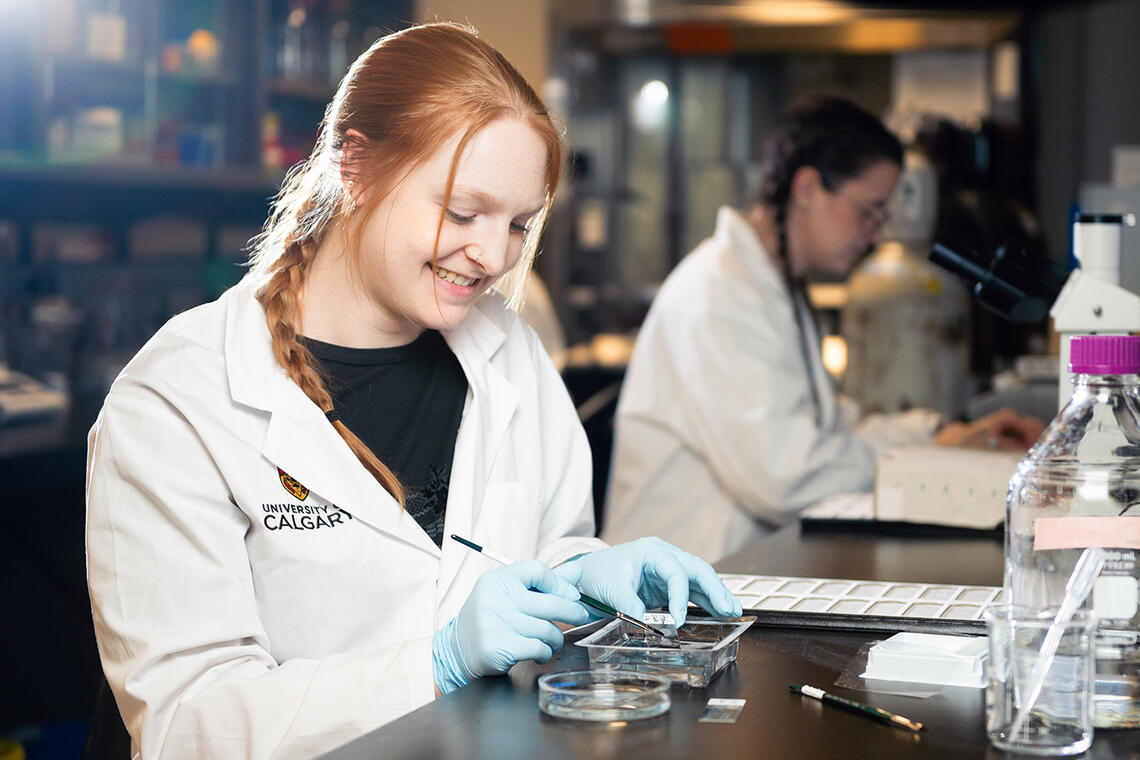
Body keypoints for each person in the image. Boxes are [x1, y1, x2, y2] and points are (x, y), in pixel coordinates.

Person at [85, 23, 741, 759]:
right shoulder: (179, 396)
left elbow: (531, 553)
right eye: (463, 213)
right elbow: (187, 726)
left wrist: (581, 576)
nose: (492, 255)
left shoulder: (509, 356)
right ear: (355, 168)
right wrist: (434, 665)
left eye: (520, 224)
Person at [602, 94, 1042, 563]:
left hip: (735, 571)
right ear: (808, 188)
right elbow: (789, 476)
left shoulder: (775, 286)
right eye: (869, 211)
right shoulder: (717, 295)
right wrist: (929, 450)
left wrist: (940, 432)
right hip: (668, 606)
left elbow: (828, 425)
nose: (876, 234)